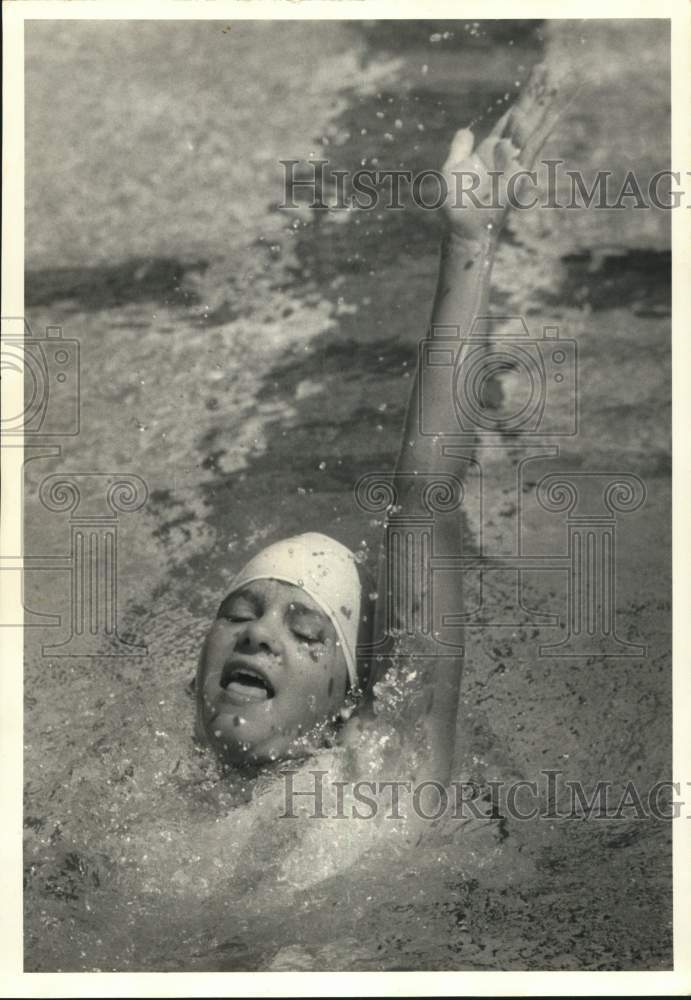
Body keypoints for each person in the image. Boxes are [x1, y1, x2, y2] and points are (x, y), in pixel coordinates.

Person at [194, 64, 564, 797]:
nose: (259, 633)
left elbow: (424, 499)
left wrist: (470, 244)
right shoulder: (132, 827)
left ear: (345, 701)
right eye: (240, 615)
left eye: (305, 633)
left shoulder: (381, 792)